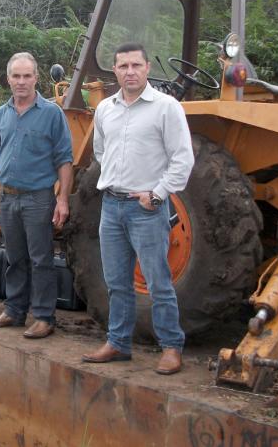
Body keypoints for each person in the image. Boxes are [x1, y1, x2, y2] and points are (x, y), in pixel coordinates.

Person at [81, 42, 194, 375]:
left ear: (147, 68)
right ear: (114, 71)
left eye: (135, 65)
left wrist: (157, 195)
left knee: (159, 281)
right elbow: (101, 152)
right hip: (112, 206)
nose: (129, 72)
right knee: (116, 281)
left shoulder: (166, 107)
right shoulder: (105, 110)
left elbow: (183, 159)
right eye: (122, 66)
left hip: (147, 209)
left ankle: (172, 347)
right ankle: (118, 343)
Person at [0, 52, 74, 339]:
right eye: (16, 76)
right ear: (8, 79)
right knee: (15, 257)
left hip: (38, 198)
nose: (21, 82)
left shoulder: (52, 113)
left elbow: (64, 160)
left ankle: (44, 317)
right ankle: (14, 310)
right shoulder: (1, 116)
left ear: (36, 78)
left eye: (27, 76)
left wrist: (63, 199)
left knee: (41, 258)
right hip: (7, 198)